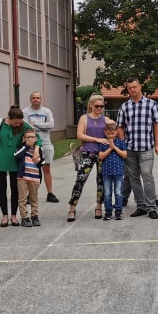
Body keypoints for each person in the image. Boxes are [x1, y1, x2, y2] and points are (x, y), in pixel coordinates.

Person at [117, 78, 158, 219]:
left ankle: (151, 207)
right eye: (130, 88)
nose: (132, 90)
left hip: (146, 148)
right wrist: (123, 144)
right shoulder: (124, 106)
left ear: (140, 87)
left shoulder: (151, 104)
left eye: (134, 87)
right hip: (130, 149)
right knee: (134, 179)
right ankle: (141, 206)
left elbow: (157, 125)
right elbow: (120, 127)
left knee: (147, 176)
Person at [68, 94, 107, 222]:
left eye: (101, 106)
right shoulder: (84, 118)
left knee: (101, 181)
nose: (99, 108)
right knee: (80, 180)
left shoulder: (106, 119)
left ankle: (99, 207)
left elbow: (113, 132)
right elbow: (80, 135)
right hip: (87, 152)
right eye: (97, 106)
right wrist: (97, 139)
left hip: (102, 153)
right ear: (91, 105)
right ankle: (72, 208)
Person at [0, 106, 29, 227]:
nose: (17, 125)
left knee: (15, 189)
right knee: (1, 188)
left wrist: (36, 149)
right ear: (9, 118)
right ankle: (4, 216)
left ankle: (14, 215)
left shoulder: (23, 125)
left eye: (19, 122)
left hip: (15, 160)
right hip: (0, 159)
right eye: (15, 123)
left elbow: (36, 137)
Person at [23, 91, 58, 202]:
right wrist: (43, 126)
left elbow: (51, 125)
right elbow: (27, 127)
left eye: (38, 98)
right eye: (33, 98)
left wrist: (36, 125)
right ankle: (30, 195)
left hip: (46, 143)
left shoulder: (47, 111)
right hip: (31, 144)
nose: (36, 99)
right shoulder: (25, 111)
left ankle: (50, 193)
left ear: (41, 99)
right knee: (31, 169)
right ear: (30, 99)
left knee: (46, 168)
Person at [98, 119, 127, 220]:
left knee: (118, 192)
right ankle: (108, 211)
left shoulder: (121, 142)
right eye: (109, 133)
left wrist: (114, 147)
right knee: (107, 193)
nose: (111, 136)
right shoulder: (103, 143)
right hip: (106, 172)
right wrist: (110, 148)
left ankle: (118, 211)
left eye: (113, 133)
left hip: (118, 172)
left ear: (116, 132)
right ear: (105, 132)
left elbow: (124, 155)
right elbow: (100, 156)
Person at [14, 129, 43, 227]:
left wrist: (39, 160)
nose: (30, 139)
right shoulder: (22, 147)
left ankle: (35, 216)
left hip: (35, 177)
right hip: (23, 177)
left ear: (36, 139)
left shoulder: (38, 149)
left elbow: (43, 162)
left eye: (32, 137)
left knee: (34, 198)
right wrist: (26, 146)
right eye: (28, 137)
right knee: (22, 198)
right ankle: (24, 217)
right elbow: (17, 156)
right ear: (24, 138)